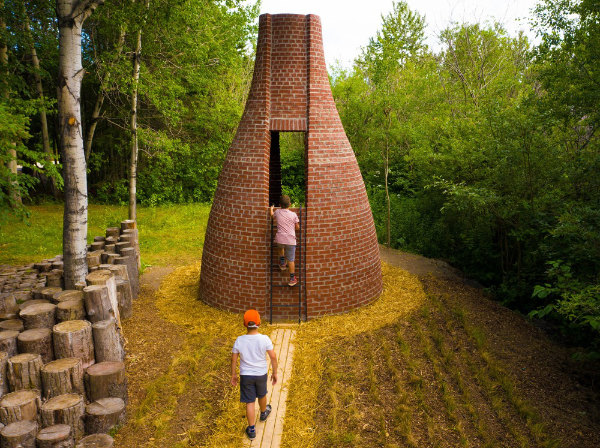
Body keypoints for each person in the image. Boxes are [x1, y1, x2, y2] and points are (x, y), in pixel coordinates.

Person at [231, 309, 278, 440]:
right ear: (259, 323)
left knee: (250, 402)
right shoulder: (264, 339)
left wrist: (233, 374)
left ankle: (251, 430)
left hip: (246, 375)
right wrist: (275, 372)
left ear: (244, 324)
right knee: (262, 394)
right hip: (261, 374)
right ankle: (264, 413)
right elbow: (273, 357)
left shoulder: (239, 340)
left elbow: (234, 358)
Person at [269, 195, 300, 286]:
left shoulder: (277, 212)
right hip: (290, 241)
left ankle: (282, 263)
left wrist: (271, 209)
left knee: (280, 247)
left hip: (280, 239)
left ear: (279, 204)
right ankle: (292, 279)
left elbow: (272, 216)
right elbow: (297, 228)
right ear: (289, 204)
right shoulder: (293, 215)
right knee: (291, 260)